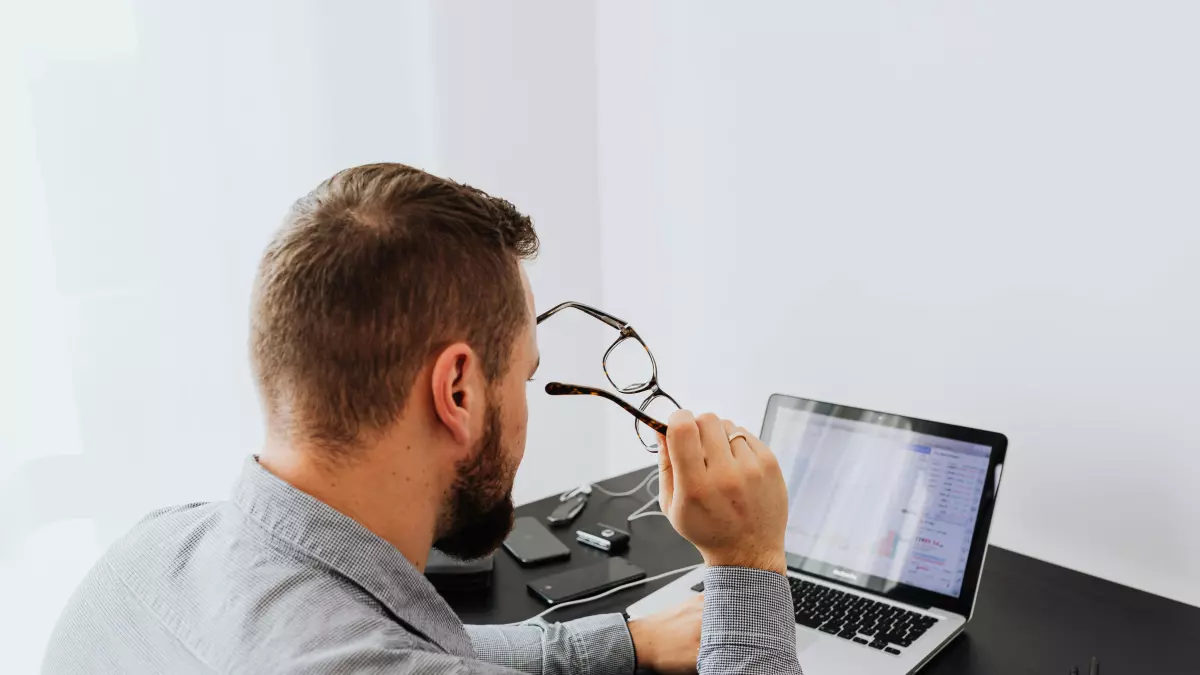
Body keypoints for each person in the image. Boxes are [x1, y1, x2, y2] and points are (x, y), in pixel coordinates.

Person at [42, 163, 802, 675]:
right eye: (526, 377)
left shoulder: (148, 552)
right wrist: (748, 560)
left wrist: (620, 641)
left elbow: (378, 632)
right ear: (460, 391)